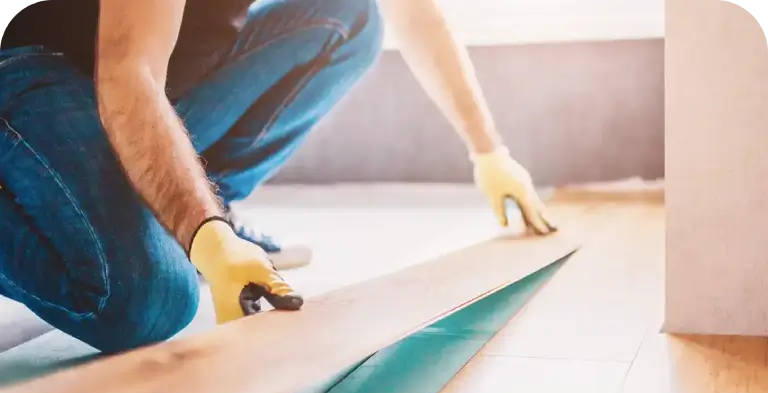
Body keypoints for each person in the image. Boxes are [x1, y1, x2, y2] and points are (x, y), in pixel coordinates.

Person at [0, 0, 557, 354]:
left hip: (156, 82)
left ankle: (190, 206)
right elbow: (127, 69)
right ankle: (186, 220)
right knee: (149, 300)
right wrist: (205, 235)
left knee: (349, 17)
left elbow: (413, 13)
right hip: (39, 64)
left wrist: (489, 151)